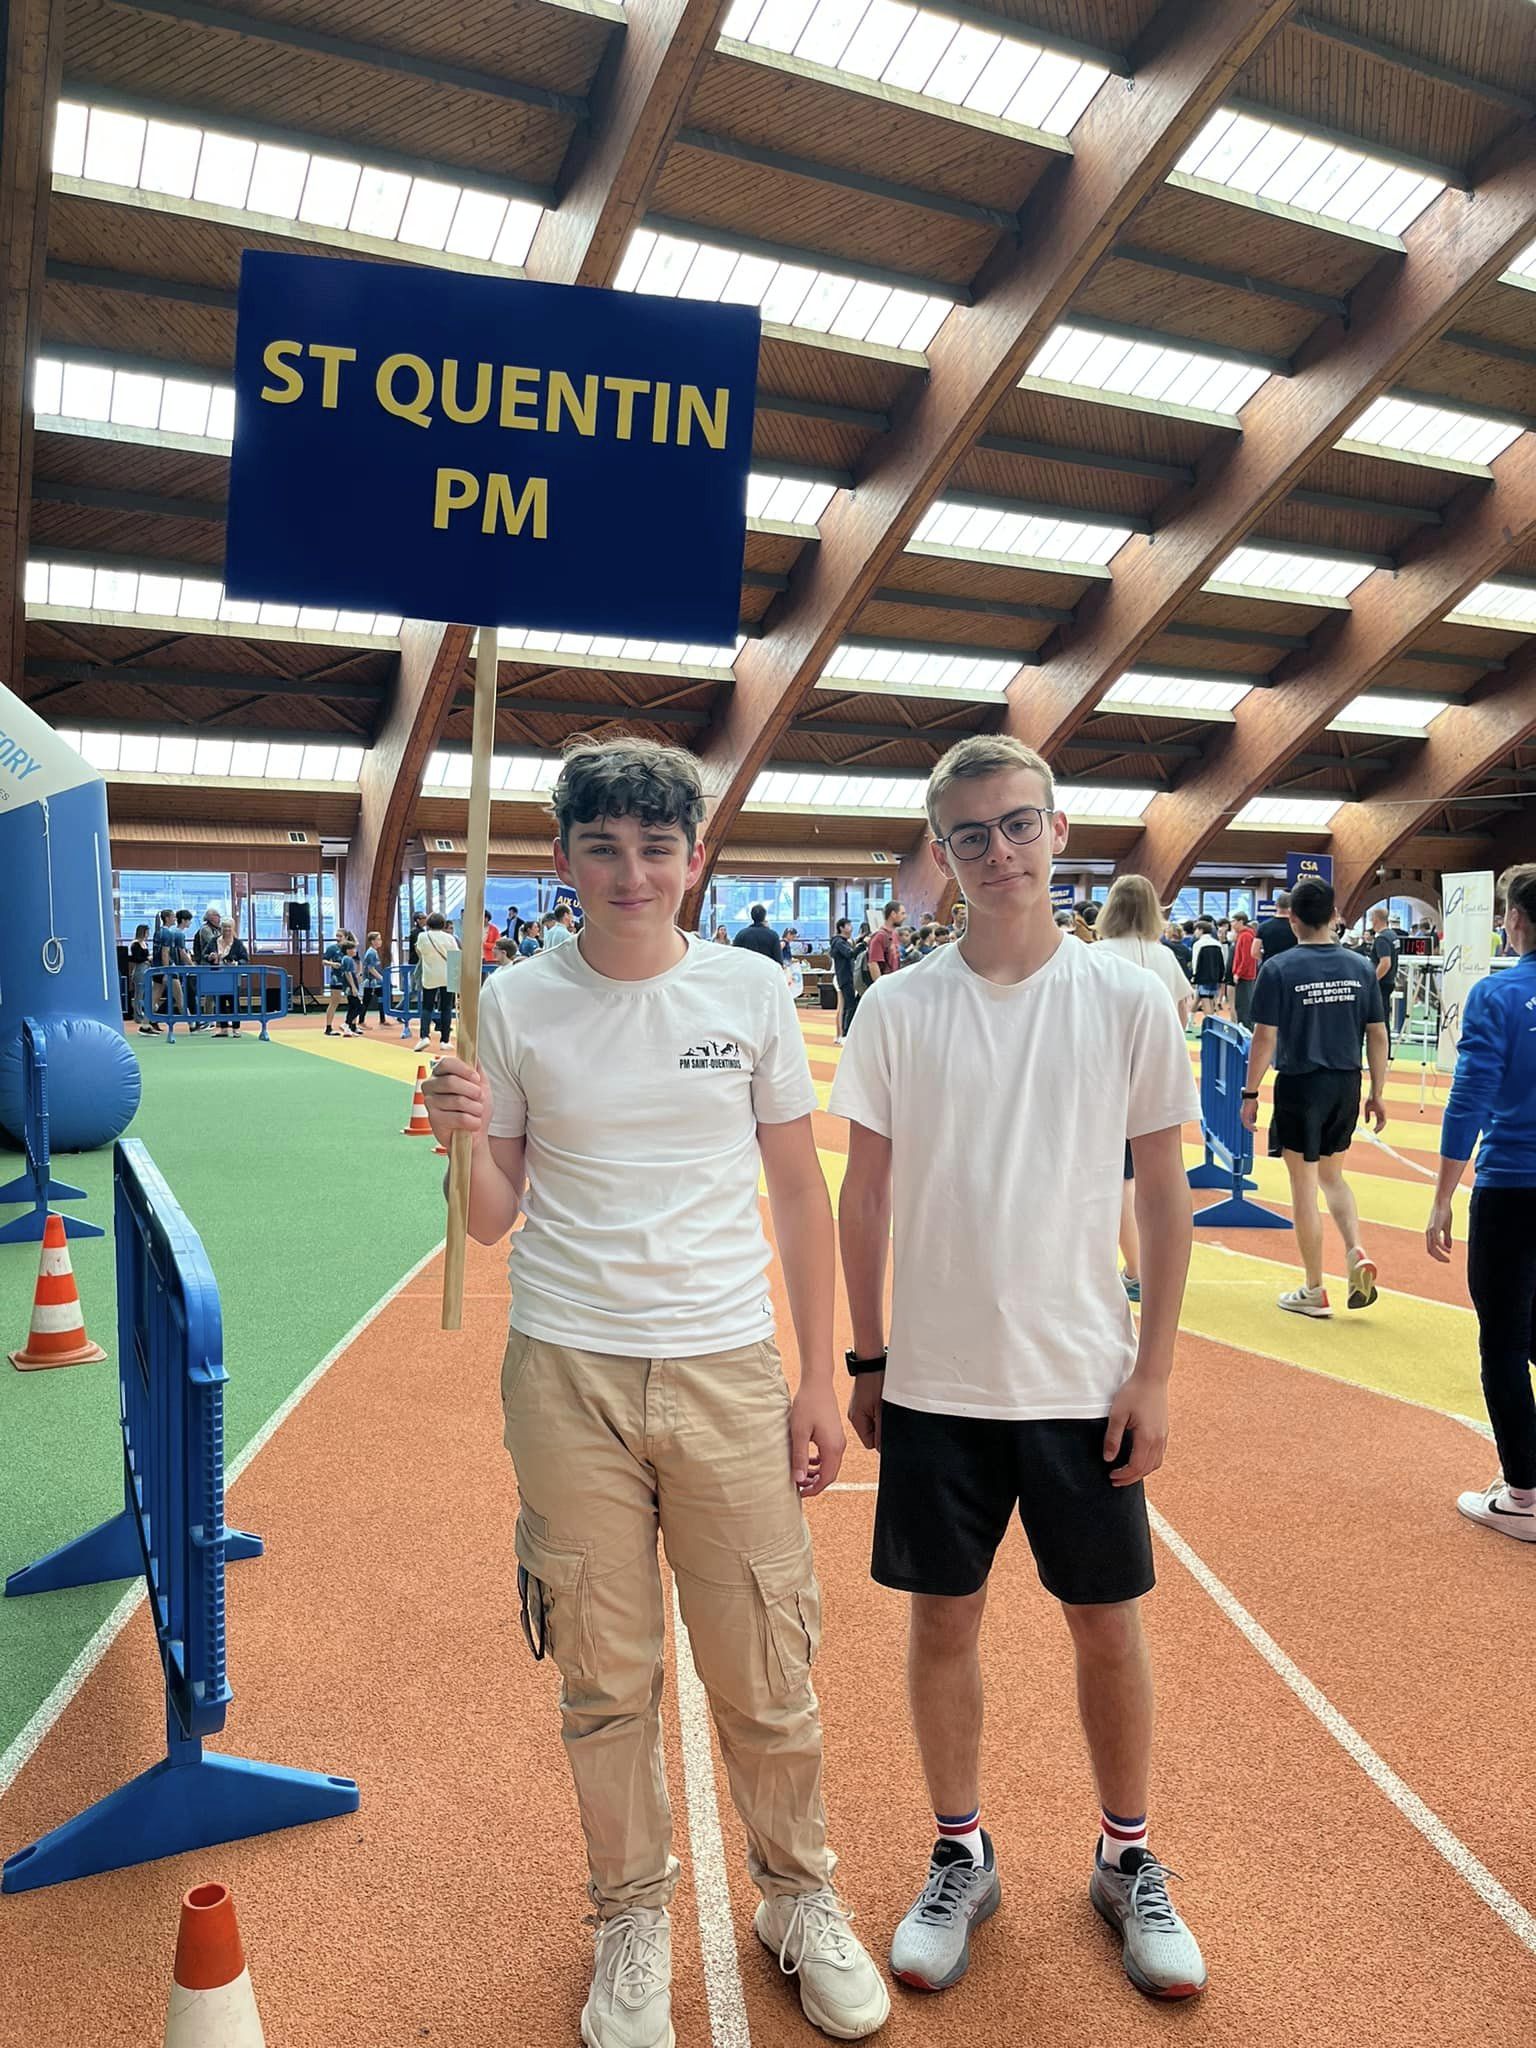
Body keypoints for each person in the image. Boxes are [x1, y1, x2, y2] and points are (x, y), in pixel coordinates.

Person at [421, 737, 887, 2048]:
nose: (632, 872)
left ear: (695, 857)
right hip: (565, 1372)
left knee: (764, 1660)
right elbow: (491, 1219)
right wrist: (460, 1138)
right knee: (604, 1673)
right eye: (604, 847)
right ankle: (630, 1918)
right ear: (562, 859)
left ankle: (798, 1896)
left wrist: (819, 1374)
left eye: (656, 847)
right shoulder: (511, 1003)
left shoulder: (751, 988)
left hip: (727, 1365)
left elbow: (797, 1190)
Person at [832, 734, 1206, 2005]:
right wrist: (868, 1352)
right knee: (943, 1620)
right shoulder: (897, 1006)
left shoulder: (1127, 999)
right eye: (971, 834)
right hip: (936, 1383)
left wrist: (1154, 1371)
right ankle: (961, 1852)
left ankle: (1127, 1856)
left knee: (1107, 1623)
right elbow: (865, 1192)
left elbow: (1162, 1195)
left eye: (1019, 824)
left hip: (1081, 1378)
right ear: (941, 854)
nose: (999, 851)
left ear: (1059, 831)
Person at [1426, 864, 1536, 1543]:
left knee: (1504, 1341)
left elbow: (1467, 1101)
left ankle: (1524, 1495)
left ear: (1515, 920)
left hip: (1512, 1189)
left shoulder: (1496, 996)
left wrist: (1442, 1197)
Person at [1243, 877, 1387, 1319]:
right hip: (1346, 1083)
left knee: (1303, 1187)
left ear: (1292, 919)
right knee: (1333, 1177)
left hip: (1301, 1083)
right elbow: (1377, 1034)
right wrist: (1378, 1093)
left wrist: (1250, 1092)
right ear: (1334, 916)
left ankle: (1314, 1288)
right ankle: (1355, 1249)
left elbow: (1264, 1038)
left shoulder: (1279, 968)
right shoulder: (1361, 967)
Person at [1096, 875, 1195, 1305]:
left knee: (1117, 1182)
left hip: (1107, 1082)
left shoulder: (1094, 954)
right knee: (1160, 1179)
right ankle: (1153, 1273)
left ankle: (1135, 1268)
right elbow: (1183, 1018)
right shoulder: (1166, 957)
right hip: (1158, 1082)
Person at [415, 913, 458, 1051]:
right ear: (443, 924)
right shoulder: (449, 938)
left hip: (430, 975)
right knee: (446, 1008)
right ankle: (445, 1040)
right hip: (447, 975)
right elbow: (455, 957)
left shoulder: (423, 936)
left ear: (428, 924)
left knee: (427, 1007)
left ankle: (424, 1037)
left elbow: (419, 951)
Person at [1367, 906, 1401, 1050]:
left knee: (1379, 1020)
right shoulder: (1393, 936)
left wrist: (1372, 982)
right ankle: (1386, 1051)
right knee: (1384, 1018)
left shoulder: (1382, 938)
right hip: (1389, 981)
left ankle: (1383, 1051)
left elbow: (1385, 963)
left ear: (1375, 920)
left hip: (1381, 984)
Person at [212, 918, 250, 1037]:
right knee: (220, 1002)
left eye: (229, 927)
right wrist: (211, 957)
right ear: (221, 928)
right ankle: (223, 1028)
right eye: (224, 926)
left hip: (233, 977)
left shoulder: (237, 943)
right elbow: (204, 954)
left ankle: (236, 1028)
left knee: (234, 1002)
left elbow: (245, 959)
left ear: (233, 928)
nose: (227, 929)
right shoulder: (214, 941)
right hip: (217, 976)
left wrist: (236, 963)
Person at [322, 931, 357, 1037]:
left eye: (340, 936)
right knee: (334, 1002)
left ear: (346, 937)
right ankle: (328, 1027)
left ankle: (352, 1025)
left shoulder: (350, 947)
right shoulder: (332, 948)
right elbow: (324, 961)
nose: (338, 938)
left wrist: (358, 974)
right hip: (336, 978)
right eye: (336, 935)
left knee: (353, 1002)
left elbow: (357, 960)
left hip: (349, 978)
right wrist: (332, 964)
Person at [830, 917, 858, 1044]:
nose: (851, 928)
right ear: (841, 928)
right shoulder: (839, 942)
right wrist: (862, 945)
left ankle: (840, 1035)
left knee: (843, 1006)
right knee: (846, 1006)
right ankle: (843, 1034)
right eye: (848, 926)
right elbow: (850, 954)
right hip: (844, 977)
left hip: (843, 976)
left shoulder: (842, 941)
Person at [1188, 920, 1224, 1018]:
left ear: (1201, 930)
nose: (1195, 932)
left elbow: (1195, 961)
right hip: (1215, 975)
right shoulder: (1217, 943)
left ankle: (1210, 1021)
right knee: (1206, 998)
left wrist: (1194, 976)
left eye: (1196, 930)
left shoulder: (1198, 944)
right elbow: (1222, 961)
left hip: (1202, 976)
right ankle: (1189, 1022)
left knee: (1205, 999)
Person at [1230, 910, 1259, 1028]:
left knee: (1244, 1006)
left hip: (1245, 975)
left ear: (1241, 921)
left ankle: (1247, 1030)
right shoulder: (1243, 935)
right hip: (1245, 974)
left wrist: (1238, 973)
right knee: (1242, 1005)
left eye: (1233, 921)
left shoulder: (1246, 936)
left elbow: (1246, 957)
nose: (1231, 924)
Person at [865, 900, 904, 983]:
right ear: (893, 914)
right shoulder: (879, 936)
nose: (905, 917)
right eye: (902, 913)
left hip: (894, 980)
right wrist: (880, 986)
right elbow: (873, 963)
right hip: (885, 983)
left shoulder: (894, 933)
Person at [1256, 890, 1296, 964]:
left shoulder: (1263, 926)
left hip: (1269, 965)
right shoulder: (1297, 926)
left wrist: (1266, 960)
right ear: (1292, 906)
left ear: (1276, 905)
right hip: (1292, 964)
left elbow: (1254, 951)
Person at [128, 923, 153, 1032]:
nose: (148, 934)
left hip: (146, 968)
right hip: (139, 970)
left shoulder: (145, 944)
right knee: (139, 994)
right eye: (147, 932)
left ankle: (144, 1013)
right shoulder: (135, 944)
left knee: (147, 992)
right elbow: (136, 958)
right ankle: (138, 1015)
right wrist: (147, 958)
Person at [360, 931, 387, 1026]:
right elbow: (371, 968)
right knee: (366, 1002)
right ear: (372, 941)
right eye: (378, 939)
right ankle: (361, 1021)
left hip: (377, 982)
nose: (380, 941)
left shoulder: (374, 952)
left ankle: (382, 1020)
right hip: (371, 982)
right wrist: (381, 978)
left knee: (381, 999)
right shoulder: (371, 953)